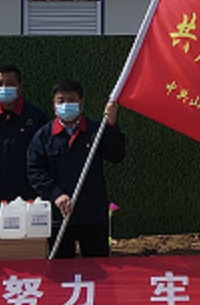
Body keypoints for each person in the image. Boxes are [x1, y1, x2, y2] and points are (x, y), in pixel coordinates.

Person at [26, 79, 125, 258]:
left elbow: (116, 155)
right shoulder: (43, 136)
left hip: (92, 214)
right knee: (61, 268)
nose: (66, 105)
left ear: (81, 102)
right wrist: (56, 194)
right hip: (59, 217)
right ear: (54, 105)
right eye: (61, 101)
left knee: (97, 267)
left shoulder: (96, 130)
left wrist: (111, 125)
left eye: (71, 100)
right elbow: (35, 172)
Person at [0, 63, 49, 208]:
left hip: (27, 194)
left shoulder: (36, 116)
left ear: (19, 87)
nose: (4, 88)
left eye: (10, 84)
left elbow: (44, 156)